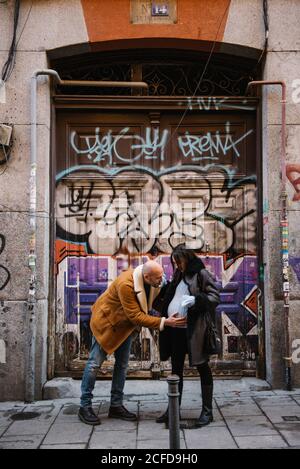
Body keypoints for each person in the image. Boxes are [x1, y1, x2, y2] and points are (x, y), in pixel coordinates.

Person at [78, 260, 186, 425]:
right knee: (94, 364)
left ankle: (116, 405)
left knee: (122, 365)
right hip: (107, 324)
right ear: (147, 276)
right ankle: (84, 406)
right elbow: (136, 316)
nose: (161, 280)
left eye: (161, 276)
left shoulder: (154, 279)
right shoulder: (126, 284)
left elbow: (159, 296)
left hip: (125, 328)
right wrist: (165, 322)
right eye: (158, 278)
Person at [156, 246, 220, 427]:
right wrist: (162, 287)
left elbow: (215, 296)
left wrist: (197, 300)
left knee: (202, 367)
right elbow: (173, 295)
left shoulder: (201, 273)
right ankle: (173, 410)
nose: (176, 265)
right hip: (175, 331)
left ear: (186, 259)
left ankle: (207, 412)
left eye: (178, 261)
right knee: (176, 370)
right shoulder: (178, 275)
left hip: (194, 332)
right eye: (174, 262)